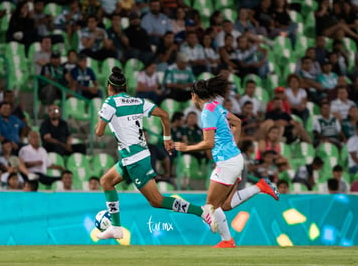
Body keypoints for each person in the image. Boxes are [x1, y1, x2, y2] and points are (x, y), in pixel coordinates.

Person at [94, 67, 217, 240]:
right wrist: (167, 138)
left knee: (157, 201)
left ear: (109, 86)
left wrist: (101, 117)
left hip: (135, 159)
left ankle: (202, 212)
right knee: (106, 181)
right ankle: (116, 228)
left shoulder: (110, 103)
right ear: (126, 85)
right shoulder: (137, 101)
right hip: (136, 155)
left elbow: (99, 132)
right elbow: (164, 115)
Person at [175, 76, 279, 248]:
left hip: (227, 162)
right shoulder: (216, 106)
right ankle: (260, 187)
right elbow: (237, 122)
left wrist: (186, 148)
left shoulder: (207, 112)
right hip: (235, 159)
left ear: (194, 95)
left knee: (211, 206)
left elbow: (209, 143)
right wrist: (233, 145)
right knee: (225, 205)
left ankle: (227, 240)